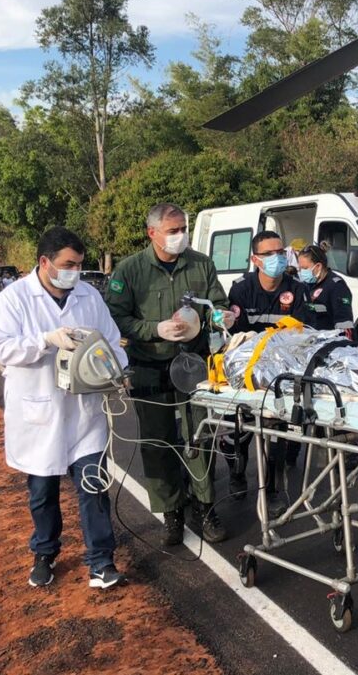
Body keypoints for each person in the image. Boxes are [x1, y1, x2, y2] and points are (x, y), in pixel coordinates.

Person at [0, 226, 129, 590]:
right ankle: (45, 553)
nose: (75, 273)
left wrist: (116, 370)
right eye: (68, 265)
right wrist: (45, 341)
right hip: (40, 412)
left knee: (93, 486)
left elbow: (113, 342)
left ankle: (101, 561)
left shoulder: (88, 297)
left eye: (79, 265)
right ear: (44, 262)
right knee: (42, 492)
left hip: (84, 414)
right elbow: (0, 349)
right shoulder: (15, 299)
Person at [105, 203, 234, 546]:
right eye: (173, 231)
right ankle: (171, 513)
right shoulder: (130, 270)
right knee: (157, 443)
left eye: (183, 229)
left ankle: (204, 507)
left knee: (199, 437)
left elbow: (216, 304)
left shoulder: (201, 264)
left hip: (194, 364)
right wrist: (153, 329)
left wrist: (221, 317)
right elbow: (115, 318)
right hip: (150, 366)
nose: (181, 236)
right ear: (153, 233)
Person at [226, 230, 310, 506]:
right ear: (255, 259)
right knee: (236, 428)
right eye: (269, 254)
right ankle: (237, 473)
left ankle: (272, 491)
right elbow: (235, 337)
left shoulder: (297, 289)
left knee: (276, 432)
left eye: (280, 252)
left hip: (281, 369)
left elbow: (301, 334)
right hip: (247, 368)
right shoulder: (242, 289)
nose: (277, 258)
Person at [297, 243, 354, 337]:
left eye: (304, 268)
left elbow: (344, 324)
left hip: (330, 341)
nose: (301, 272)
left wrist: (342, 342)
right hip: (310, 340)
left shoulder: (336, 286)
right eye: (300, 268)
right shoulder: (307, 285)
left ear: (318, 266)